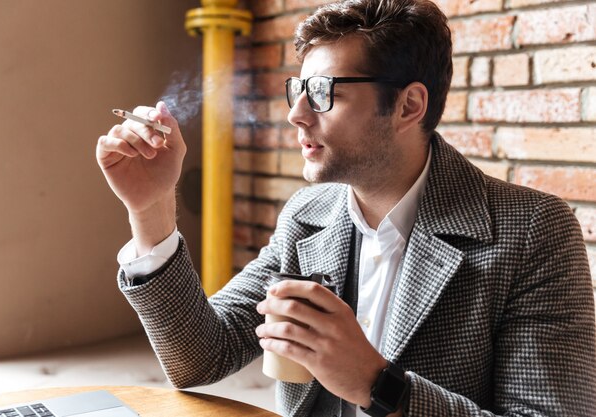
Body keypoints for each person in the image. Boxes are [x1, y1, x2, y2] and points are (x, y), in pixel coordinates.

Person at [96, 0, 596, 415]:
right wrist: (152, 207)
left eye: (322, 93)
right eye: (299, 89)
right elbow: (202, 358)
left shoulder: (534, 231)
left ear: (408, 106)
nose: (296, 114)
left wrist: (376, 383)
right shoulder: (308, 215)